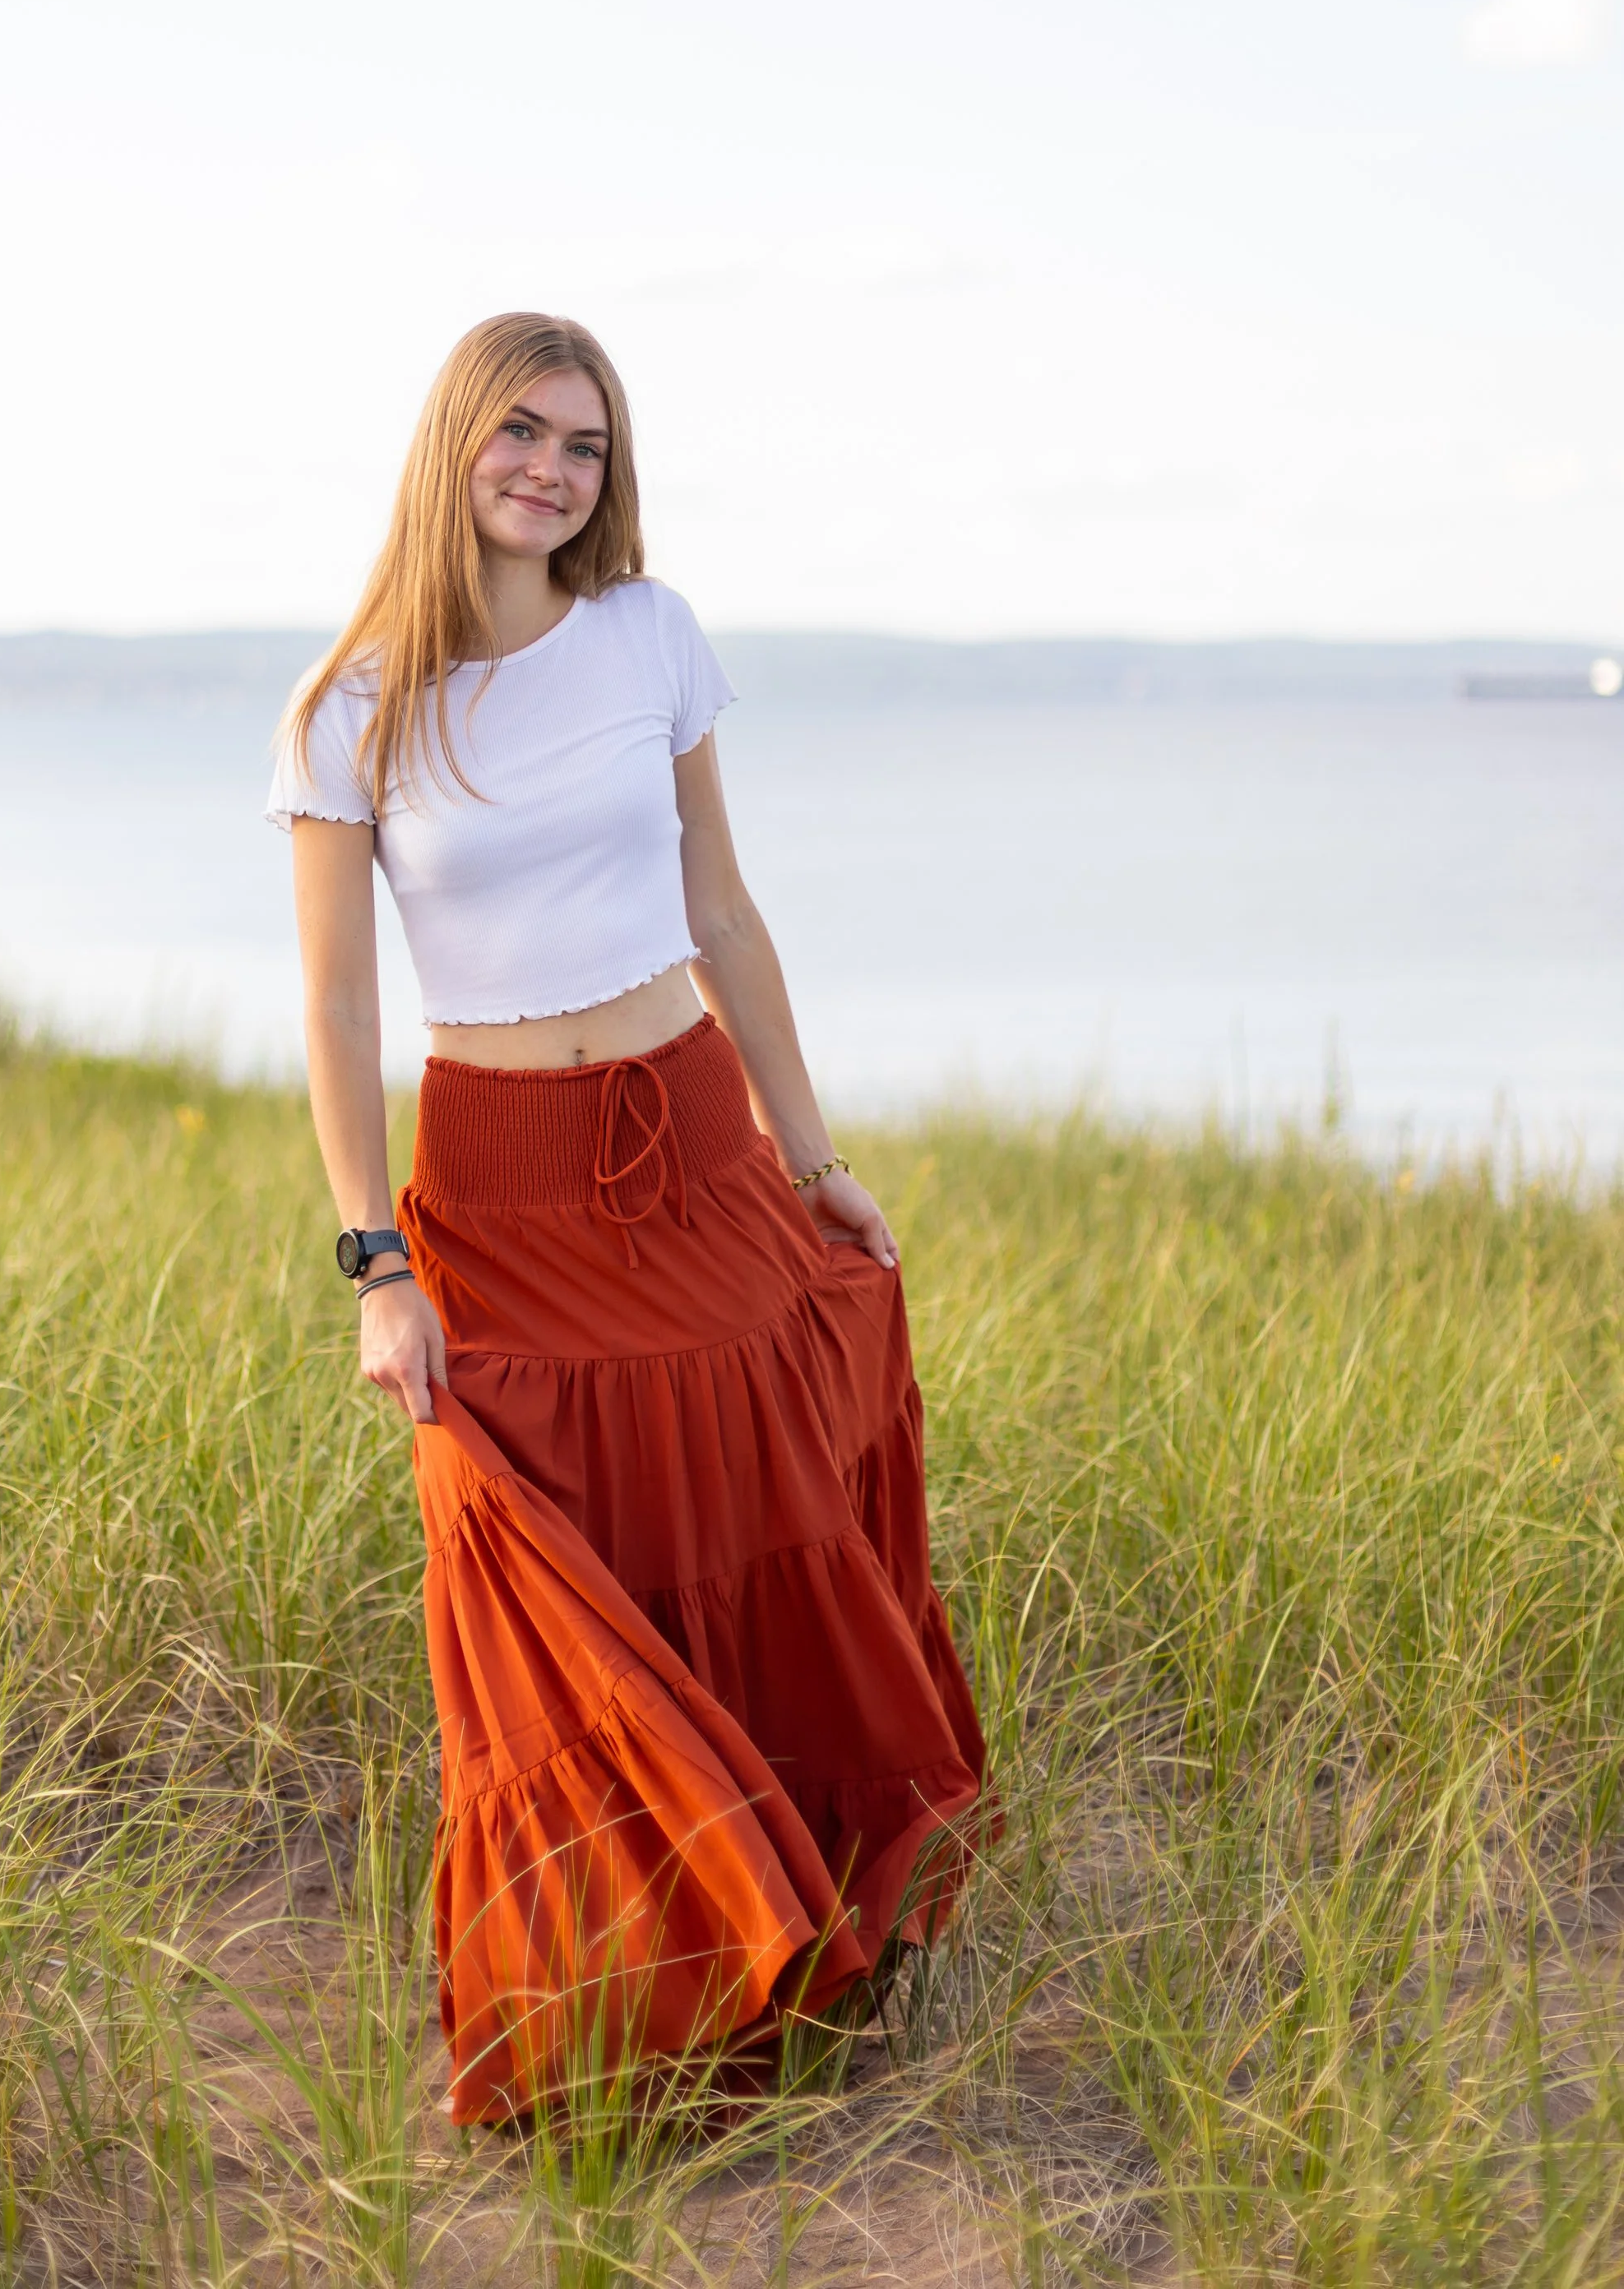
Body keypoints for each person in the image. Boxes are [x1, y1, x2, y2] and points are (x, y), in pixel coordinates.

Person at [269, 311, 988, 2120]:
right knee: (534, 1537)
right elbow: (341, 1017)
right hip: (498, 1187)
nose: (550, 469)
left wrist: (810, 1152)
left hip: (688, 1140)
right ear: (454, 446)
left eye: (583, 445)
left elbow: (723, 909)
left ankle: (811, 1942)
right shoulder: (350, 707)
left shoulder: (646, 636)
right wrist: (378, 1265)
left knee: (753, 1494)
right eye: (519, 433)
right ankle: (619, 1982)